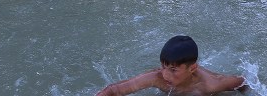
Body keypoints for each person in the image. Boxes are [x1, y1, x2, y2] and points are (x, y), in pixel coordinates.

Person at [95, 35, 249, 96]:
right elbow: (113, 91)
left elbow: (243, 82)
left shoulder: (211, 84)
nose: (165, 75)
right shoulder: (158, 78)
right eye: (163, 67)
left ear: (192, 68)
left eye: (173, 70)